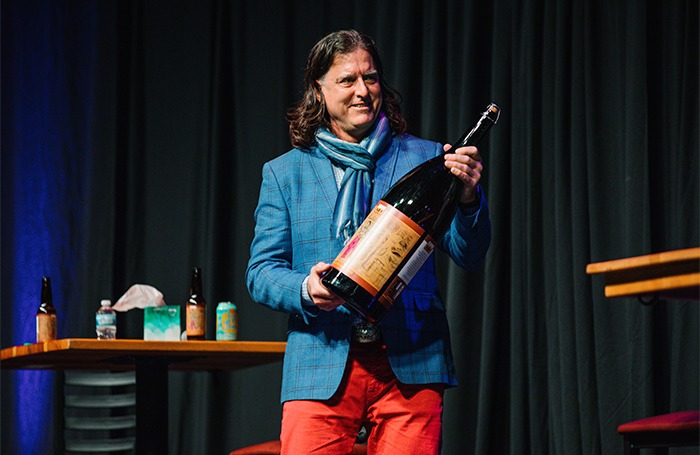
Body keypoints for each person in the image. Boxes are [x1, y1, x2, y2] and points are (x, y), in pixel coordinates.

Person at [246, 29, 491, 455]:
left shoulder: (428, 158)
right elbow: (260, 273)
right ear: (318, 90)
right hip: (320, 361)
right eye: (347, 80)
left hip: (412, 360)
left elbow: (469, 253)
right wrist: (308, 289)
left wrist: (469, 198)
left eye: (371, 78)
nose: (362, 91)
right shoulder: (284, 174)